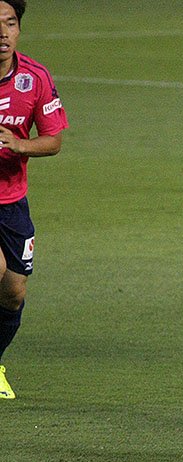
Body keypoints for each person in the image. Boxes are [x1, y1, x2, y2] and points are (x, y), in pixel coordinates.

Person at [0, 0, 67, 400]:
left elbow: (53, 140)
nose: (2, 33)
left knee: (14, 291)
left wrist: (20, 144)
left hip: (12, 202)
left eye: (9, 23)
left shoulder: (34, 77)